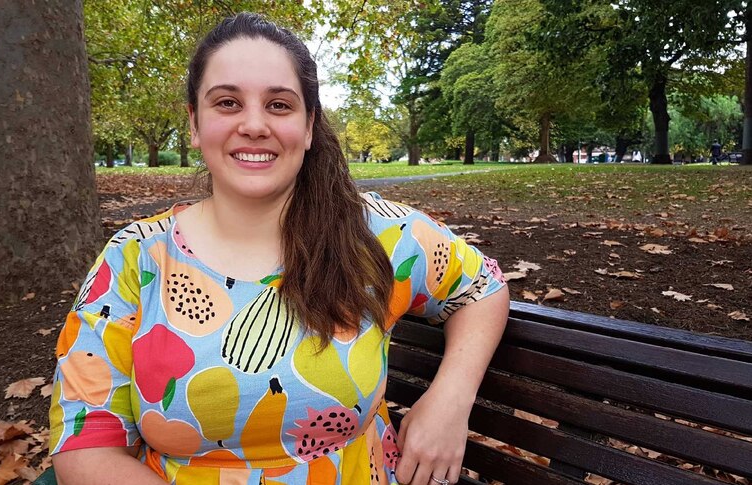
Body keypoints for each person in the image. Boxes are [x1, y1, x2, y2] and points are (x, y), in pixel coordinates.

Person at [48, 12, 509, 485]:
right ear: (194, 123)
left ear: (309, 126)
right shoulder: (134, 257)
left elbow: (481, 287)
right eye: (227, 102)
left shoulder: (378, 233)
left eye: (279, 105)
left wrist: (450, 400)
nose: (253, 124)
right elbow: (85, 446)